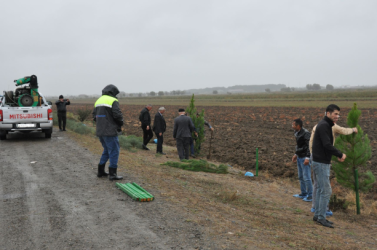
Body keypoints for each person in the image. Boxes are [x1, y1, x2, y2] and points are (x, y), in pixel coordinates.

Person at [309, 119, 357, 215]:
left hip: (313, 156)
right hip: (321, 158)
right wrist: (353, 130)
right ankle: (323, 210)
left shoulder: (317, 125)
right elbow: (343, 130)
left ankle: (315, 207)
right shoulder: (330, 126)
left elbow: (310, 142)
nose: (337, 119)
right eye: (335, 115)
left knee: (317, 184)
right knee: (324, 188)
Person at [312, 104, 346, 228]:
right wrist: (340, 154)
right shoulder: (324, 126)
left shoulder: (325, 125)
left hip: (321, 162)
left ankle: (318, 215)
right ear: (328, 113)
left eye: (338, 114)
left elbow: (325, 145)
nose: (338, 116)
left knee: (321, 190)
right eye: (335, 113)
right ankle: (321, 217)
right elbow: (327, 145)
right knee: (326, 191)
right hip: (321, 163)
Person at [92, 84, 124, 181]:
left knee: (106, 150)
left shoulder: (98, 100)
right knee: (114, 151)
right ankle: (112, 174)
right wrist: (120, 124)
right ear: (113, 92)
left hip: (100, 130)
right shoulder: (113, 100)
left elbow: (94, 116)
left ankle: (100, 171)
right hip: (110, 131)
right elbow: (117, 115)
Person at [291, 118, 313, 202]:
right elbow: (299, 145)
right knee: (301, 176)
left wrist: (307, 158)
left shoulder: (306, 133)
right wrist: (296, 154)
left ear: (298, 126)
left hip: (305, 157)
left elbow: (309, 147)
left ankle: (310, 195)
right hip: (299, 157)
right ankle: (303, 193)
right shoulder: (296, 133)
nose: (292, 126)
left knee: (307, 177)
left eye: (293, 125)